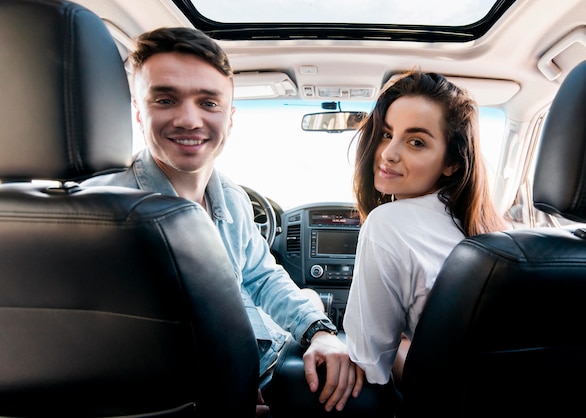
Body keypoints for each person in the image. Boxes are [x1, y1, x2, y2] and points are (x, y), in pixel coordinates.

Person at [81, 27, 363, 415]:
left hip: (247, 368)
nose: (189, 119)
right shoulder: (102, 206)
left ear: (230, 118)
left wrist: (320, 330)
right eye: (165, 99)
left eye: (208, 103)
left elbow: (262, 277)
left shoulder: (230, 196)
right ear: (138, 111)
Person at [342, 71, 508, 386]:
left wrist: (404, 344)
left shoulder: (387, 224)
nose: (388, 154)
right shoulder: (492, 229)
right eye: (387, 134)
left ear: (452, 163)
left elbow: (371, 362)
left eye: (416, 142)